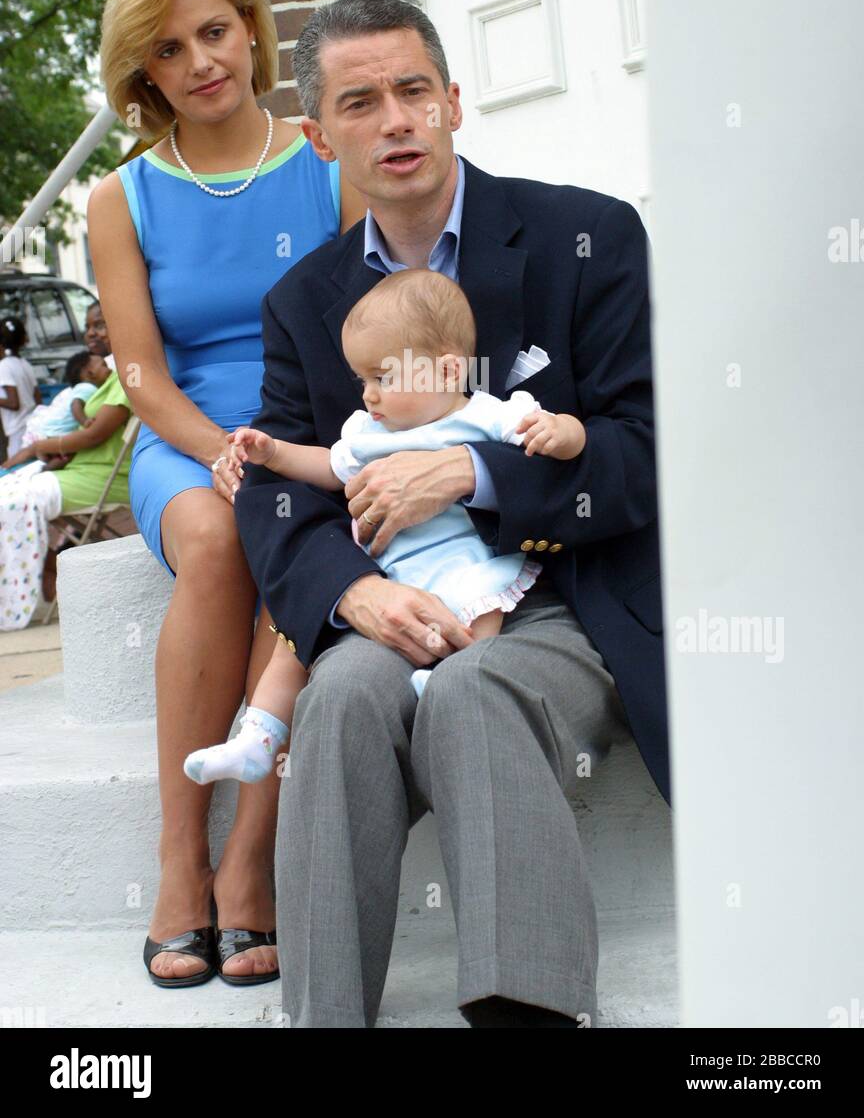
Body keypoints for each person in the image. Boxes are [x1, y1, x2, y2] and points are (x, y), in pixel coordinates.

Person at [232, 0, 668, 1029]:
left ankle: (532, 1012)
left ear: (453, 102)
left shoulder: (588, 235)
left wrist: (473, 477)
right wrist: (356, 593)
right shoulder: (304, 301)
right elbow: (282, 492)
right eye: (361, 101)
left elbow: (642, 449)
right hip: (402, 598)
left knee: (473, 692)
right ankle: (324, 1016)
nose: (395, 120)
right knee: (336, 700)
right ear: (318, 134)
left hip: (563, 601)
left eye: (413, 90)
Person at [87, 0, 366, 990]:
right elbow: (141, 375)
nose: (201, 60)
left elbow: (362, 321)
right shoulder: (122, 199)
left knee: (281, 532)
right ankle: (178, 862)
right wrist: (221, 454)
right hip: (186, 438)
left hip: (309, 425)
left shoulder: (321, 159)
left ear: (250, 27)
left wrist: (295, 451)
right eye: (169, 49)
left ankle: (249, 861)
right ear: (144, 75)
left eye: (214, 31)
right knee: (216, 537)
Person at [184, 269, 588, 785]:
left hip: (461, 561)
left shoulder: (485, 415)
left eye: (382, 377)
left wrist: (563, 431)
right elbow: (329, 468)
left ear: (446, 372)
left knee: (479, 612)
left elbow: (567, 436)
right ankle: (258, 736)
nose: (369, 395)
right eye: (362, 380)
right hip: (387, 572)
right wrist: (275, 452)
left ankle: (441, 680)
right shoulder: (368, 431)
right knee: (294, 640)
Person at [0, 324, 132, 630]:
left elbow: (93, 436)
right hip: (80, 471)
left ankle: (45, 571)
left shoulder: (126, 379)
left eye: (100, 325)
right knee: (8, 492)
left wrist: (44, 446)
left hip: (101, 479)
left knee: (11, 502)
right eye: (89, 327)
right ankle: (45, 568)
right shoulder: (110, 379)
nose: (92, 334)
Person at [4, 351, 106, 466]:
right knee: (66, 456)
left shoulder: (75, 389)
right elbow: (75, 405)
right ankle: (44, 471)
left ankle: (7, 467)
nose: (110, 369)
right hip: (54, 432)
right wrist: (85, 421)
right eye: (104, 365)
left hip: (43, 429)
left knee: (27, 455)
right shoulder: (88, 387)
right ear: (90, 373)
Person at [0, 316, 41, 458]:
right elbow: (38, 400)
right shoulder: (26, 364)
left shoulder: (4, 367)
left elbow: (13, 403)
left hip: (18, 431)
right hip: (32, 428)